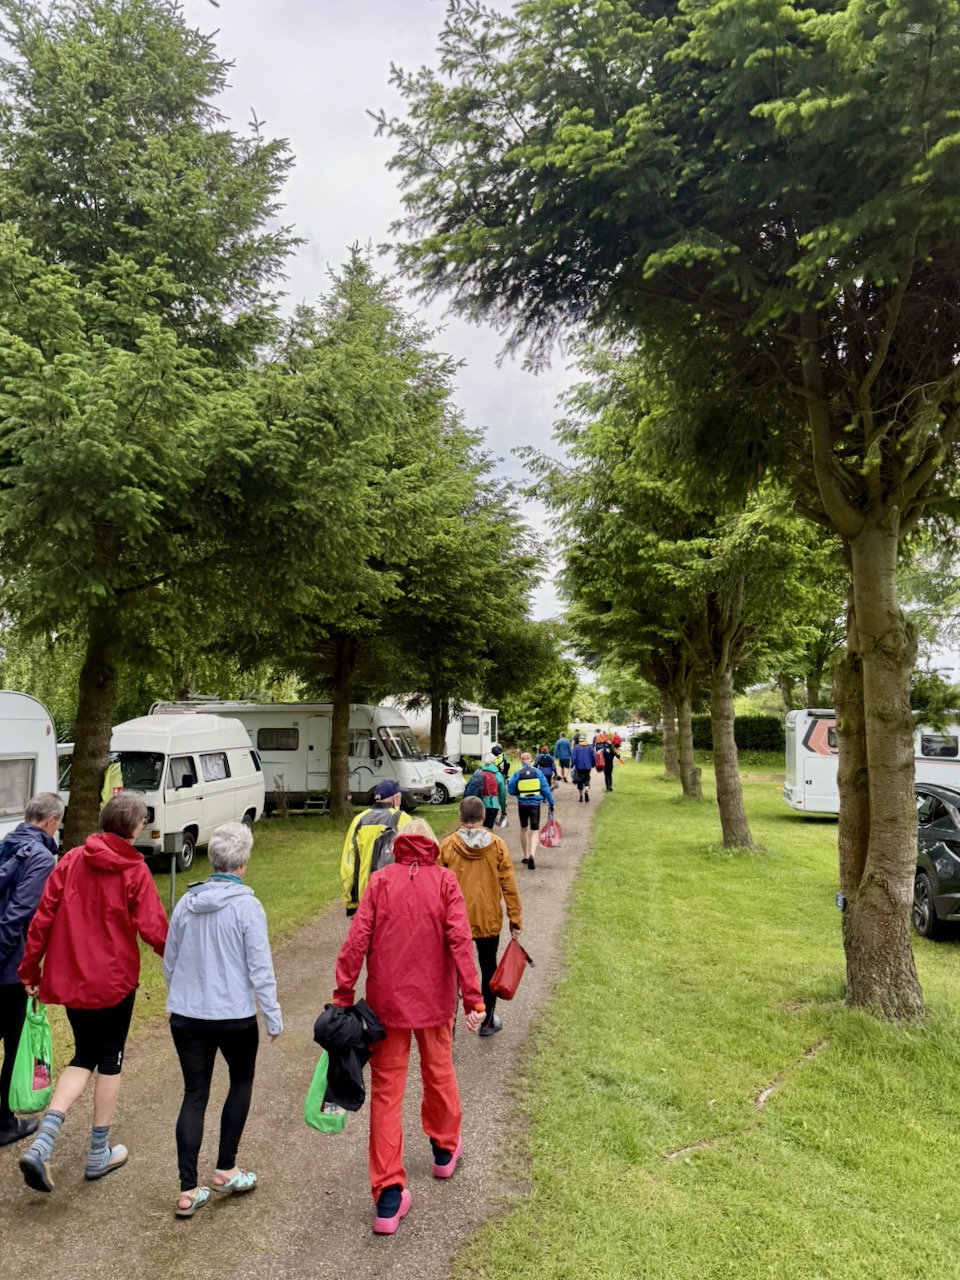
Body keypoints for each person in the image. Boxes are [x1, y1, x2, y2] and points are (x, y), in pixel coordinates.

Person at [332, 821, 486, 1235]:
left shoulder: (381, 881)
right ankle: (444, 1148)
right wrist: (474, 997)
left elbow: (356, 940)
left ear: (399, 846)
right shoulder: (445, 882)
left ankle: (388, 1193)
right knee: (439, 1071)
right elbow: (461, 940)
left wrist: (343, 993)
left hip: (385, 1006)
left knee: (387, 1092)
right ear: (432, 845)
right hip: (435, 1002)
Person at [18, 792, 168, 1193]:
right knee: (109, 1059)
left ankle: (43, 1142)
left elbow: (41, 919)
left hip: (73, 979)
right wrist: (181, 961)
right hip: (115, 983)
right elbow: (154, 929)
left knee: (83, 1055)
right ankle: (98, 1152)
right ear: (134, 829)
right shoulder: (135, 870)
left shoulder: (70, 860)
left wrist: (30, 969)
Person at [162, 820, 282, 1218]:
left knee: (194, 1094)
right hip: (234, 1015)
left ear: (212, 859)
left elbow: (170, 959)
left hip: (187, 1015)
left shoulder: (186, 903)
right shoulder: (247, 907)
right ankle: (226, 1168)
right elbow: (260, 968)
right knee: (240, 1081)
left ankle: (187, 1189)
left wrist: (180, 993)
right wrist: (273, 1015)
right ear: (243, 862)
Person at [0, 793, 62, 1147]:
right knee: (14, 1045)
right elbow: (21, 914)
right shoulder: (40, 857)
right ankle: (4, 1122)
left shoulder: (6, 843)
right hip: (9, 967)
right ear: (51, 821)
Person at [439, 796, 522, 1039]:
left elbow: (436, 884)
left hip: (454, 921)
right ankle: (486, 1020)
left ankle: (450, 1025)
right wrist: (515, 918)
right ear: (484, 816)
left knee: (453, 973)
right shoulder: (497, 845)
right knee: (488, 967)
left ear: (460, 817)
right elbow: (509, 884)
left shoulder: (447, 846)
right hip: (488, 918)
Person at [339, 780, 411, 915]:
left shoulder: (359, 820)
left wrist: (350, 901)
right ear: (395, 799)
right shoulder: (403, 819)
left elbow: (348, 863)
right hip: (395, 899)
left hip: (366, 898)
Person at [507, 752, 554, 871]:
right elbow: (545, 789)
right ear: (531, 760)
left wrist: (517, 794)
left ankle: (525, 856)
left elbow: (510, 788)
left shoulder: (517, 773)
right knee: (535, 831)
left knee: (523, 829)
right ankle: (532, 854)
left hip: (522, 804)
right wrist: (551, 802)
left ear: (521, 761)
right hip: (535, 805)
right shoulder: (538, 772)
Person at [475, 753, 507, 829]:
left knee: (478, 828)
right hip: (493, 804)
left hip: (479, 804)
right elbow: (502, 794)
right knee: (488, 829)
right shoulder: (498, 775)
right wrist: (503, 810)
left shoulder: (478, 773)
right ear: (494, 762)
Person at [571, 737, 596, 804]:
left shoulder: (576, 747)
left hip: (579, 766)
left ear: (579, 741)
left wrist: (572, 765)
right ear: (585, 740)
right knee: (587, 779)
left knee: (580, 781)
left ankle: (581, 797)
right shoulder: (590, 747)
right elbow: (593, 757)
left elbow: (573, 757)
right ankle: (586, 791)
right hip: (588, 766)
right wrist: (593, 764)